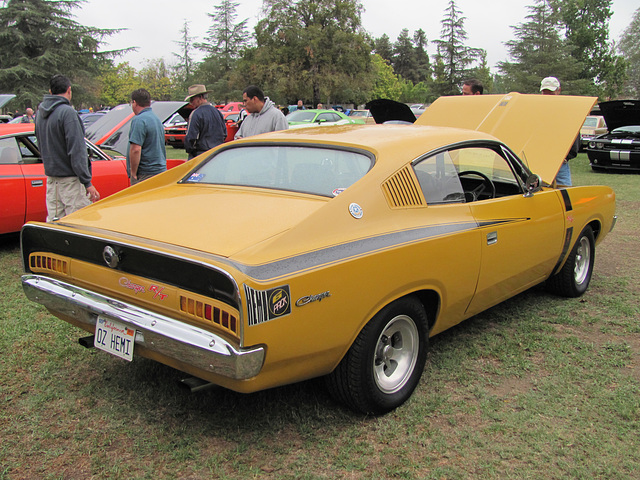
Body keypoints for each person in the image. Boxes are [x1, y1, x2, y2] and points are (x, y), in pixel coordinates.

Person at [35, 74, 99, 222]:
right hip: (70, 182)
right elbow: (77, 150)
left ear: (50, 92)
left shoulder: (39, 114)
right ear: (69, 90)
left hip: (52, 180)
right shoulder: (67, 112)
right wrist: (87, 182)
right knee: (79, 225)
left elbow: (40, 144)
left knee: (56, 226)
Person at [540, 76, 578, 186]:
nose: (547, 96)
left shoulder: (567, 111)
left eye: (550, 92)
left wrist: (567, 156)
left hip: (561, 163)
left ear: (558, 90)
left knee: (565, 193)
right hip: (541, 162)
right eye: (545, 92)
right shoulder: (537, 110)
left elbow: (574, 137)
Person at [128, 88, 166, 185]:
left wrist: (133, 173)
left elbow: (135, 149)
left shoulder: (139, 120)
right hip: (160, 171)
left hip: (145, 173)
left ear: (135, 102)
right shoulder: (156, 119)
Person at [183, 84, 227, 159]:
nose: (191, 102)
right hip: (217, 154)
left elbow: (191, 138)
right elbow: (224, 134)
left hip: (201, 155)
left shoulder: (196, 114)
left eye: (192, 99)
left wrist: (190, 150)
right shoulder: (217, 112)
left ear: (200, 97)